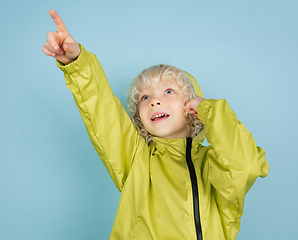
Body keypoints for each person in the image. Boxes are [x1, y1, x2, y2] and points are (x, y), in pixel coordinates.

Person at [42, 9, 269, 240]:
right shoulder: (136, 159)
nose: (155, 101)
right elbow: (103, 113)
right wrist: (77, 63)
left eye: (169, 91)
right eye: (145, 98)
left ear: (192, 106)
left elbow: (246, 164)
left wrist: (208, 110)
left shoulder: (213, 164)